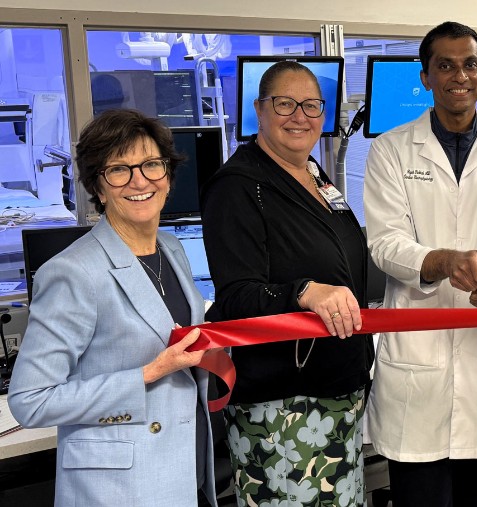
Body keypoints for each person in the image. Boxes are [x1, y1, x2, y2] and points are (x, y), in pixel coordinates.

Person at [363, 21, 477, 506]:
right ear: (426, 77)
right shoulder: (391, 150)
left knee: (472, 495)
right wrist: (445, 261)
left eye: (470, 64)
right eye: (445, 65)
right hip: (417, 358)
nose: (459, 76)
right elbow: (384, 243)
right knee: (419, 495)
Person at [7, 109, 218, 506]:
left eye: (151, 164)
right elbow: (30, 401)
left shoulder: (172, 249)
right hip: (120, 488)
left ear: (168, 177)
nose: (140, 181)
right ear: (99, 188)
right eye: (119, 170)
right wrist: (149, 372)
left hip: (183, 468)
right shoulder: (73, 272)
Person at [202, 61, 373, 506]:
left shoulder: (313, 173)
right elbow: (236, 297)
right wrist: (303, 291)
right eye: (285, 104)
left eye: (311, 105)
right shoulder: (238, 187)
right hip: (284, 406)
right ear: (259, 110)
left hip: (338, 391)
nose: (300, 116)